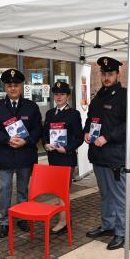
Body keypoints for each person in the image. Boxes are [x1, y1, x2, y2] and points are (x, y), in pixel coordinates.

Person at [84, 56, 130, 250]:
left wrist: (107, 137)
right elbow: (91, 118)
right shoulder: (99, 96)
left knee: (118, 195)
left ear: (117, 74)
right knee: (105, 194)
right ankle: (107, 225)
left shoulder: (126, 96)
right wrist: (86, 132)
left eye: (110, 74)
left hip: (114, 155)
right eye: (104, 74)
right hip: (98, 155)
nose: (106, 77)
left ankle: (121, 232)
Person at [0, 68, 43, 238]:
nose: (12, 88)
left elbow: (38, 128)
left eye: (16, 85)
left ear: (21, 86)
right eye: (9, 85)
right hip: (5, 154)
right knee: (5, 188)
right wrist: (5, 139)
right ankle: (4, 221)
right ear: (5, 87)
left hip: (25, 154)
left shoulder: (31, 107)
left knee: (23, 189)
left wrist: (27, 141)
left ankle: (22, 218)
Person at [42, 81, 84, 234]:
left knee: (63, 191)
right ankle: (65, 219)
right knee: (57, 190)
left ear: (67, 96)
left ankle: (63, 222)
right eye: (56, 94)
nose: (58, 97)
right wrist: (46, 144)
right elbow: (44, 133)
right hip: (53, 158)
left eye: (62, 94)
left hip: (66, 158)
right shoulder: (49, 114)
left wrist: (66, 148)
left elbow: (79, 137)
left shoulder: (73, 114)